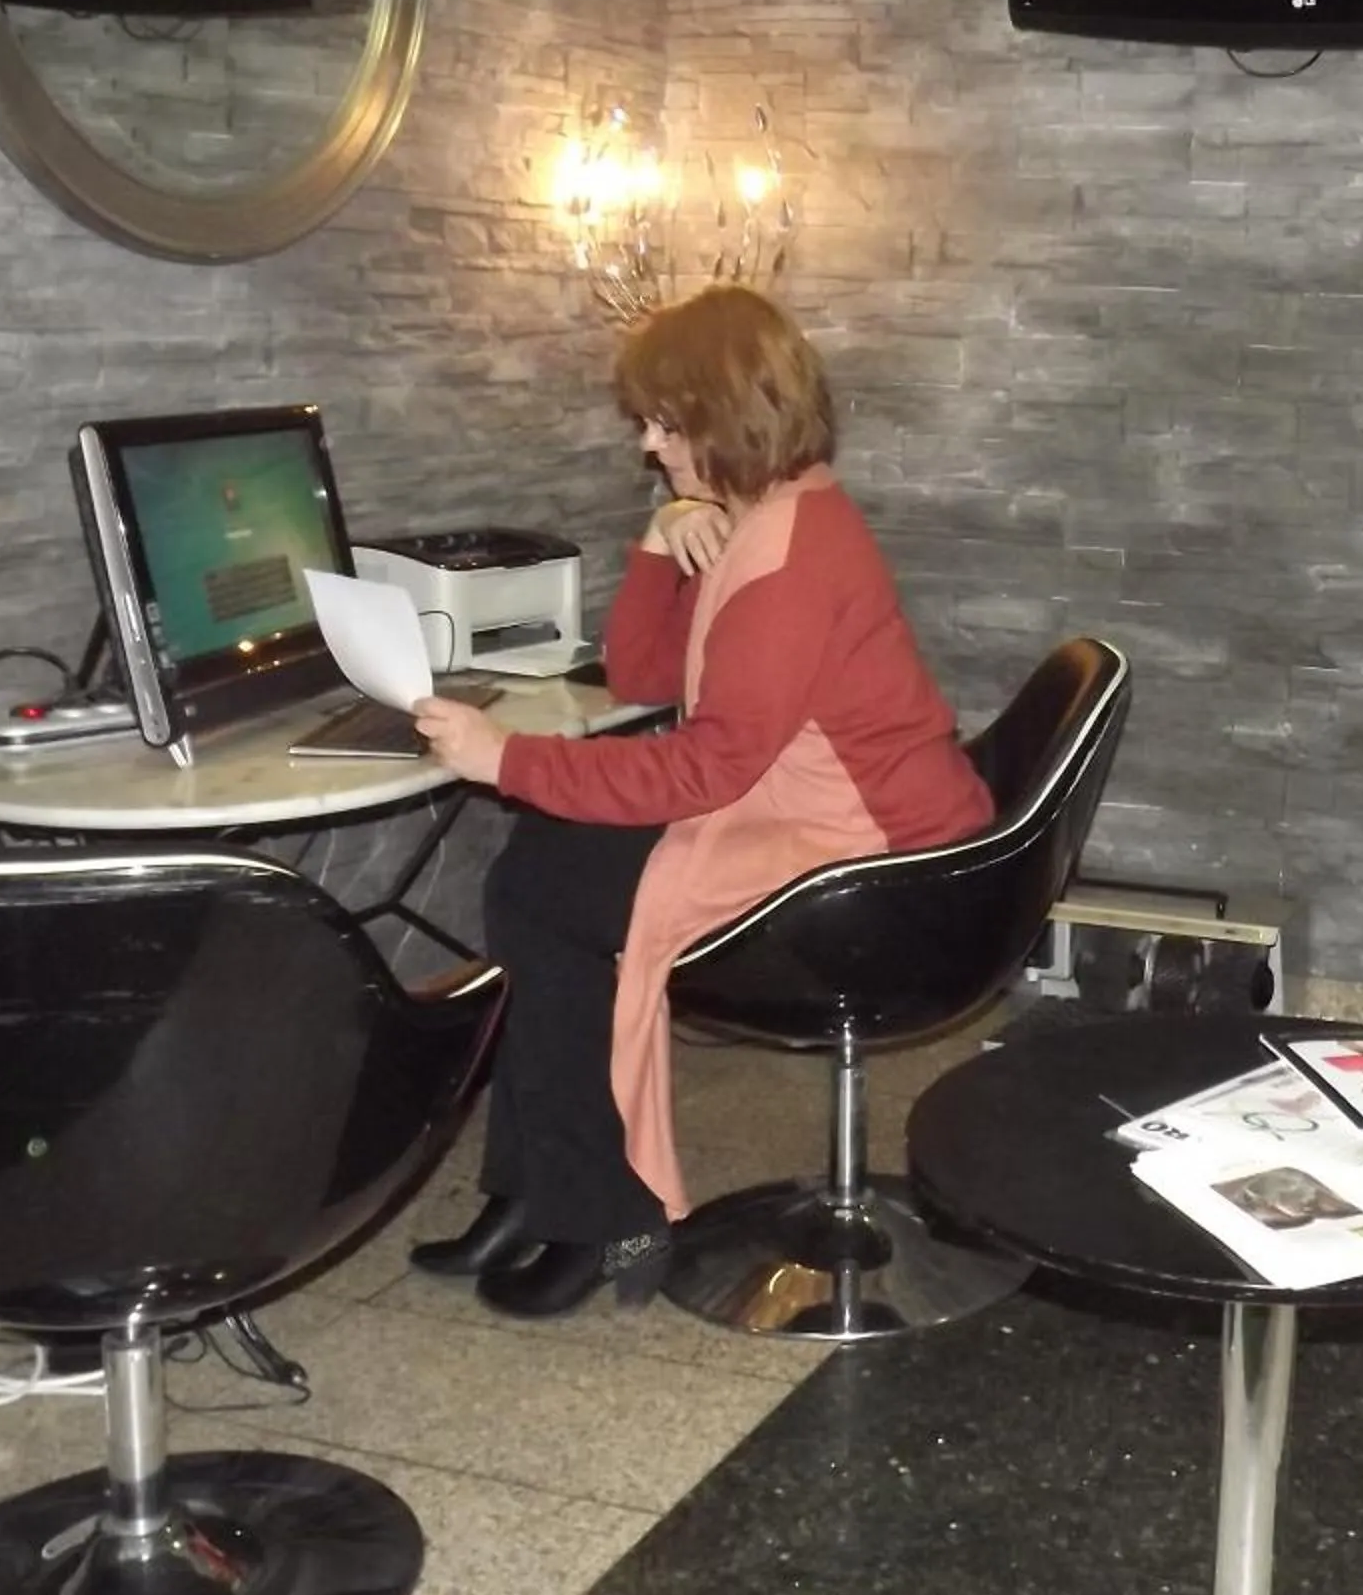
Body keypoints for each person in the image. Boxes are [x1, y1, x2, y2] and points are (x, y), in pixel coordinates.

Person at [404, 285, 993, 1317]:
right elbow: (641, 675)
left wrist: (503, 756)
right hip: (829, 812)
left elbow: (703, 768)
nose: (649, 444)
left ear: (726, 420)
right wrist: (658, 535)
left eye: (666, 425)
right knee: (545, 869)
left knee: (549, 888)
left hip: (877, 859)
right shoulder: (769, 514)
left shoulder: (790, 561)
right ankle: (541, 1187)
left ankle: (594, 1210)